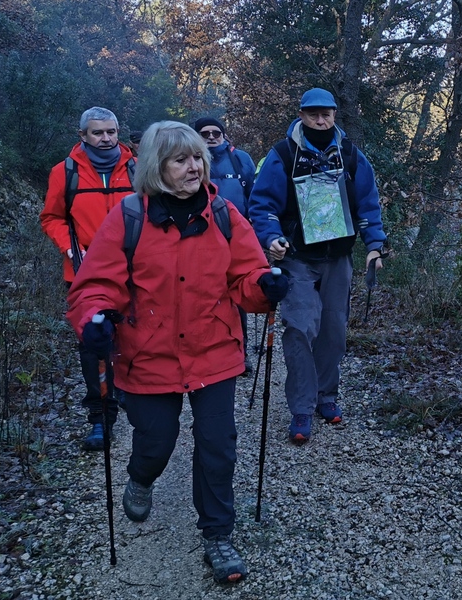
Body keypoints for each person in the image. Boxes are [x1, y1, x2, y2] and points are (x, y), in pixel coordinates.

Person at [66, 120, 289, 585]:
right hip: (148, 354)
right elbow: (95, 287)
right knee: (156, 441)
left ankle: (218, 536)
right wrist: (95, 320)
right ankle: (140, 477)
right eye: (181, 159)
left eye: (198, 158)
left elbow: (245, 277)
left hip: (213, 351)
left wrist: (265, 285)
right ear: (156, 166)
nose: (195, 166)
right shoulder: (128, 217)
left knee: (217, 446)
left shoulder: (224, 214)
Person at [248, 87, 387, 443]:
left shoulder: (352, 155)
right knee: (298, 328)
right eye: (313, 114)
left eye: (326, 114)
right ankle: (301, 407)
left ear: (335, 114)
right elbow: (262, 205)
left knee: (332, 332)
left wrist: (374, 245)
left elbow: (369, 204)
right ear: (301, 114)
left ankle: (327, 395)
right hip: (297, 259)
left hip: (338, 258)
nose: (320, 120)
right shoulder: (282, 154)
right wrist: (271, 237)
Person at [40, 106, 135, 451]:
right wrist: (70, 248)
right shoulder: (64, 173)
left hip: (133, 270)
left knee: (134, 334)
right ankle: (100, 418)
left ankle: (130, 390)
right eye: (98, 132)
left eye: (111, 131)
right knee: (92, 343)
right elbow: (52, 217)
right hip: (84, 273)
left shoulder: (137, 168)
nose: (106, 138)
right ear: (82, 135)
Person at [193, 117, 257, 373]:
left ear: (224, 134)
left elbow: (255, 196)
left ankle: (240, 352)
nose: (210, 137)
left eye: (215, 132)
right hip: (195, 236)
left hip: (234, 238)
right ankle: (201, 351)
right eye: (204, 133)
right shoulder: (186, 159)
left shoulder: (240, 160)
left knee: (235, 295)